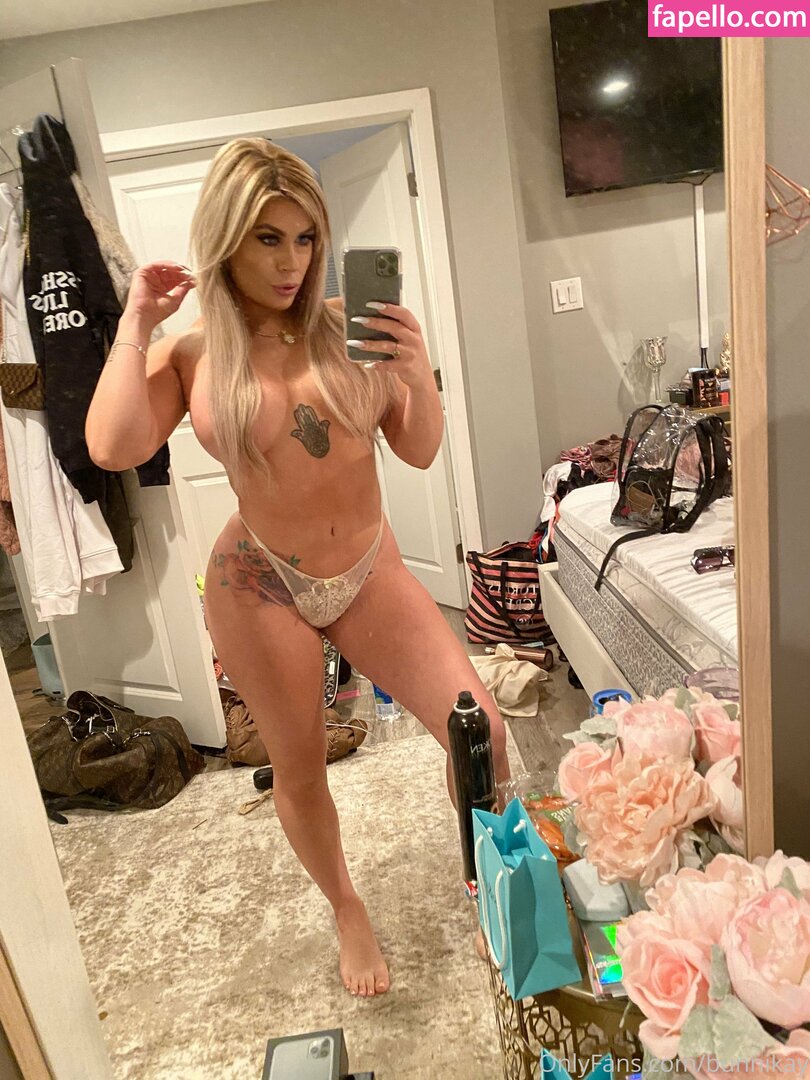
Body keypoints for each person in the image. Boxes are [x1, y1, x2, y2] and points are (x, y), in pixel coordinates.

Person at [86, 138, 511, 998]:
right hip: (258, 583)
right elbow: (112, 444)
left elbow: (420, 450)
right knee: (301, 764)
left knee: (483, 735)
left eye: (305, 237)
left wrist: (416, 371)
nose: (291, 262)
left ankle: (489, 885)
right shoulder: (195, 353)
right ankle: (346, 907)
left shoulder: (354, 328)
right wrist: (135, 324)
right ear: (227, 239)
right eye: (267, 239)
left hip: (366, 569)